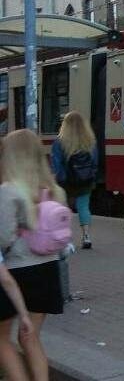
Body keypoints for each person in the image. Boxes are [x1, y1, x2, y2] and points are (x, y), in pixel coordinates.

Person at [0, 129, 66, 381]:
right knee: (30, 337)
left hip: (16, 272)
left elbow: (3, 238)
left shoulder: (9, 190)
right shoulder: (53, 189)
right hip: (48, 270)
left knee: (2, 339)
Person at [50, 112, 98, 250]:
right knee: (83, 207)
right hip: (85, 181)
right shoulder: (90, 141)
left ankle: (66, 239)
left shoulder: (59, 142)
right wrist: (91, 176)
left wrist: (57, 180)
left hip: (65, 182)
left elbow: (56, 164)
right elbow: (95, 162)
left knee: (64, 209)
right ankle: (86, 236)